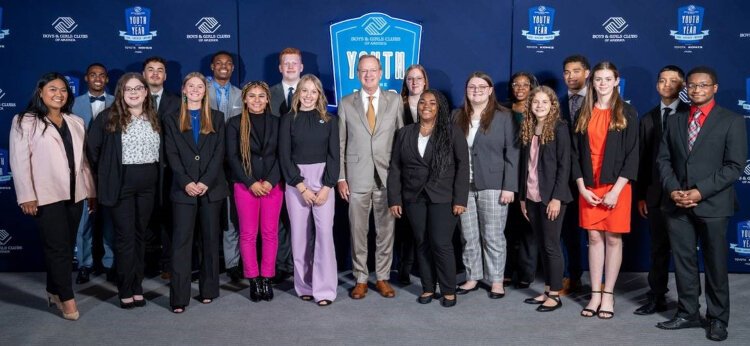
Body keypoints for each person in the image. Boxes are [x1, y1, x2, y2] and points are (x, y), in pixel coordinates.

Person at [656, 66, 746, 342]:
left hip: (713, 205)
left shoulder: (731, 120)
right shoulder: (674, 119)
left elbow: (734, 166)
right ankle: (688, 312)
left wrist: (699, 191)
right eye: (692, 86)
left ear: (714, 88)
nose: (696, 90)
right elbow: (663, 160)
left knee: (716, 264)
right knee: (684, 263)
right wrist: (673, 190)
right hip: (677, 204)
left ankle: (717, 318)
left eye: (703, 85)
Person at [9, 73, 96, 320]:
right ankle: (68, 300)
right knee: (58, 247)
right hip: (46, 195)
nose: (59, 94)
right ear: (41, 92)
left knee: (66, 247)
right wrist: (27, 195)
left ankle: (52, 290)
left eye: (64, 90)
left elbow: (84, 163)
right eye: (52, 89)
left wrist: (91, 192)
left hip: (75, 193)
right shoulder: (25, 121)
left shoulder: (75, 120)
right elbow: (19, 161)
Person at [388, 89, 469, 307]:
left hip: (444, 197)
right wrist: (394, 199)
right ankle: (427, 288)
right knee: (422, 243)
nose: (426, 106)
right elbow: (395, 168)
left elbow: (463, 167)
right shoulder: (404, 133)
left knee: (441, 243)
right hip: (413, 197)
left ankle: (449, 290)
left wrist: (461, 199)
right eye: (423, 102)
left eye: (432, 103)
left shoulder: (452, 132)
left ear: (440, 107)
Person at [87, 72, 161, 309]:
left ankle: (137, 286)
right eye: (128, 89)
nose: (133, 92)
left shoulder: (154, 117)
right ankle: (125, 288)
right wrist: (108, 173)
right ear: (121, 92)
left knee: (141, 235)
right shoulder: (108, 117)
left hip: (148, 184)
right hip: (121, 184)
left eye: (138, 88)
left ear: (146, 91)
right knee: (125, 236)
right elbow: (93, 150)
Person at [571, 61, 638, 319]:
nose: (602, 83)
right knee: (594, 239)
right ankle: (595, 294)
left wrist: (616, 191)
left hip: (617, 187)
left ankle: (608, 293)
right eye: (598, 79)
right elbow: (575, 155)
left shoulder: (627, 113)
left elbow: (633, 156)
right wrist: (581, 188)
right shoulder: (583, 113)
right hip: (589, 187)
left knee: (612, 238)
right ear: (592, 82)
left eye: (607, 78)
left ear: (616, 81)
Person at [337, 55, 404, 299]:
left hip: (387, 177)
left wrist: (400, 177)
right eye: (363, 71)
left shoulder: (395, 100)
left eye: (372, 70)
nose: (368, 75)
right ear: (357, 73)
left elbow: (401, 141)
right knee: (358, 230)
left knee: (386, 230)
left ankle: (383, 277)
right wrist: (341, 178)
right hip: (356, 177)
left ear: (381, 72)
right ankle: (361, 278)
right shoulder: (346, 102)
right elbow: (341, 143)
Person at [163, 72, 228, 313]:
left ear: (205, 90)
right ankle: (179, 297)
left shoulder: (218, 118)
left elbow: (219, 153)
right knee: (181, 243)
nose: (195, 89)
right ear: (183, 89)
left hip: (212, 189)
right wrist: (186, 182)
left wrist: (205, 181)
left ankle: (208, 290)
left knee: (210, 241)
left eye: (200, 86)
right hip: (183, 190)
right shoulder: (171, 119)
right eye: (190, 85)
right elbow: (171, 155)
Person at [454, 72, 518, 299]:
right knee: (468, 235)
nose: (477, 90)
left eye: (482, 86)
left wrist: (509, 186)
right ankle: (473, 277)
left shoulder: (504, 116)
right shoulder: (457, 116)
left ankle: (496, 280)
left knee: (493, 235)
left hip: (494, 184)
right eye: (472, 86)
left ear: (490, 90)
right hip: (463, 186)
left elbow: (512, 153)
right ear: (466, 90)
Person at [279, 74, 340, 306]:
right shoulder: (288, 120)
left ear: (320, 95)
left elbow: (335, 155)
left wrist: (327, 186)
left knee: (324, 236)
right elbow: (284, 156)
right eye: (304, 90)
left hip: (324, 181)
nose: (308, 95)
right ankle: (304, 285)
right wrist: (301, 186)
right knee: (300, 236)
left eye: (313, 91)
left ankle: (324, 290)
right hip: (297, 184)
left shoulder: (330, 120)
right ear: (298, 93)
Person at [634, 65, 689, 316]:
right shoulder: (647, 118)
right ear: (657, 85)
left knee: (685, 252)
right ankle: (656, 297)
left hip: (686, 195)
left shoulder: (692, 115)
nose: (667, 85)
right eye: (663, 80)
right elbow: (643, 160)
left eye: (673, 80)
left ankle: (688, 305)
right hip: (656, 196)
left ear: (683, 85)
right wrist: (642, 195)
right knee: (658, 249)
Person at [227, 81, 282, 301]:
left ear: (268, 99)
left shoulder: (278, 123)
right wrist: (250, 182)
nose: (257, 100)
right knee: (248, 234)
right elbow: (232, 157)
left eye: (261, 96)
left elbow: (283, 155)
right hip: (245, 185)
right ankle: (253, 279)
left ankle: (267, 278)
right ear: (245, 99)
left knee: (270, 233)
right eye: (252, 96)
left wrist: (270, 181)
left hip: (272, 185)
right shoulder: (234, 123)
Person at [518, 86, 572, 312]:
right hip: (531, 196)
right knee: (541, 245)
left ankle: (555, 295)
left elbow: (564, 166)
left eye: (544, 102)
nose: (539, 106)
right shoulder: (528, 127)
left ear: (552, 106)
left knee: (551, 246)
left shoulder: (559, 128)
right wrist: (522, 198)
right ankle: (548, 287)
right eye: (535, 102)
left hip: (551, 197)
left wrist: (557, 198)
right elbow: (525, 167)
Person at [71, 63, 114, 285]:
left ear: (106, 80)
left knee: (110, 220)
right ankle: (84, 264)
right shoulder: (73, 104)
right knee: (84, 220)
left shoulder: (118, 102)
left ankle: (110, 263)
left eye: (101, 75)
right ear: (86, 78)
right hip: (83, 169)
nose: (97, 78)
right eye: (93, 75)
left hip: (110, 170)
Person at [143, 56, 181, 280]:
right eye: (151, 70)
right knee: (145, 217)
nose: (155, 74)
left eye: (160, 70)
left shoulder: (177, 102)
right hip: (143, 170)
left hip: (169, 170)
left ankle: (168, 263)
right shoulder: (133, 101)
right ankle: (148, 264)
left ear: (165, 76)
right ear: (144, 74)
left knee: (170, 218)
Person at [207, 50, 244, 282]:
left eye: (228, 64)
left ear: (232, 68)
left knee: (231, 216)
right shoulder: (200, 91)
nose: (224, 66)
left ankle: (232, 263)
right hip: (205, 162)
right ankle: (207, 263)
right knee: (205, 216)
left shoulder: (242, 95)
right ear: (212, 67)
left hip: (231, 164)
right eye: (219, 63)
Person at [269, 47, 304, 283]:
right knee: (281, 218)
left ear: (301, 67)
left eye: (295, 63)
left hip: (307, 165)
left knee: (304, 218)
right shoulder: (268, 94)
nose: (291, 67)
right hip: (276, 166)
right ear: (280, 68)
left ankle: (303, 263)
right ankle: (282, 264)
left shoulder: (314, 92)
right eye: (286, 63)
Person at [503, 71, 539, 289]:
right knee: (507, 226)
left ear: (532, 87)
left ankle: (526, 272)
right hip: (507, 172)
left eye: (525, 84)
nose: (520, 88)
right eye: (516, 84)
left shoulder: (538, 110)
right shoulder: (502, 110)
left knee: (529, 227)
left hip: (530, 173)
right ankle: (505, 270)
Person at [558, 55, 590, 293]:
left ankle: (601, 280)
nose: (571, 76)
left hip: (595, 176)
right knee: (567, 229)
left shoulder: (601, 101)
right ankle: (571, 275)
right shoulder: (556, 104)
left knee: (598, 232)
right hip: (565, 177)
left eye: (576, 71)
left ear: (587, 73)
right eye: (567, 72)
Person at [395, 64, 429, 284]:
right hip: (406, 171)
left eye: (418, 78)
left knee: (428, 225)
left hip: (430, 172)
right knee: (406, 225)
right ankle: (405, 268)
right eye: (410, 79)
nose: (414, 82)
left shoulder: (434, 103)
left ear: (425, 81)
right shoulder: (398, 104)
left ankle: (425, 268)